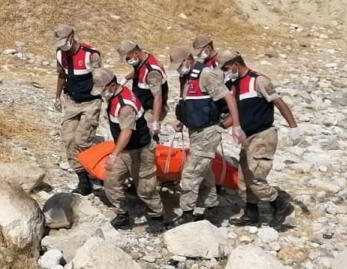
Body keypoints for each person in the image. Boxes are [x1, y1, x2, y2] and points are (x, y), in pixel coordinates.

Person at [218, 51, 299, 227]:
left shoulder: (259, 81)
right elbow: (237, 112)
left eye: (225, 68)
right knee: (244, 177)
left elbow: (279, 103)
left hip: (263, 136)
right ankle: (251, 213)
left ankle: (280, 204)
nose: (224, 72)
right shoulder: (234, 84)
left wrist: (293, 127)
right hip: (247, 137)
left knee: (255, 177)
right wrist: (219, 127)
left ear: (235, 65)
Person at [170, 45, 243, 224]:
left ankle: (186, 215)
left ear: (188, 59)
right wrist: (182, 120)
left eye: (180, 65)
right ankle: (211, 206)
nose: (179, 69)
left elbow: (229, 98)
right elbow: (190, 103)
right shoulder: (187, 77)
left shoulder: (206, 75)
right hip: (194, 131)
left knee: (190, 174)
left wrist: (236, 126)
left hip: (208, 132)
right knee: (204, 170)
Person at [92, 68, 166, 233]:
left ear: (111, 86)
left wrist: (113, 154)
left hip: (141, 151)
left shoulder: (125, 106)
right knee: (111, 181)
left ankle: (157, 216)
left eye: (102, 90)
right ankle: (123, 214)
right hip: (125, 151)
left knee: (146, 188)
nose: (101, 95)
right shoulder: (115, 95)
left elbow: (127, 132)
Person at [53, 24, 102, 194]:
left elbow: (100, 78)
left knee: (82, 141)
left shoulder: (91, 54)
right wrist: (57, 96)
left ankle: (97, 172)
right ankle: (83, 181)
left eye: (64, 41)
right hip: (72, 100)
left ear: (72, 37)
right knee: (68, 140)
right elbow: (61, 75)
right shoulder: (60, 54)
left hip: (91, 102)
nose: (63, 46)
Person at [119, 41, 168, 135]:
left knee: (146, 139)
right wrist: (125, 79)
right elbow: (139, 71)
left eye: (128, 58)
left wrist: (155, 122)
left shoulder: (152, 73)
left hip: (151, 111)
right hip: (143, 107)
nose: (128, 62)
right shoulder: (144, 59)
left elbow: (157, 97)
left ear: (136, 53)